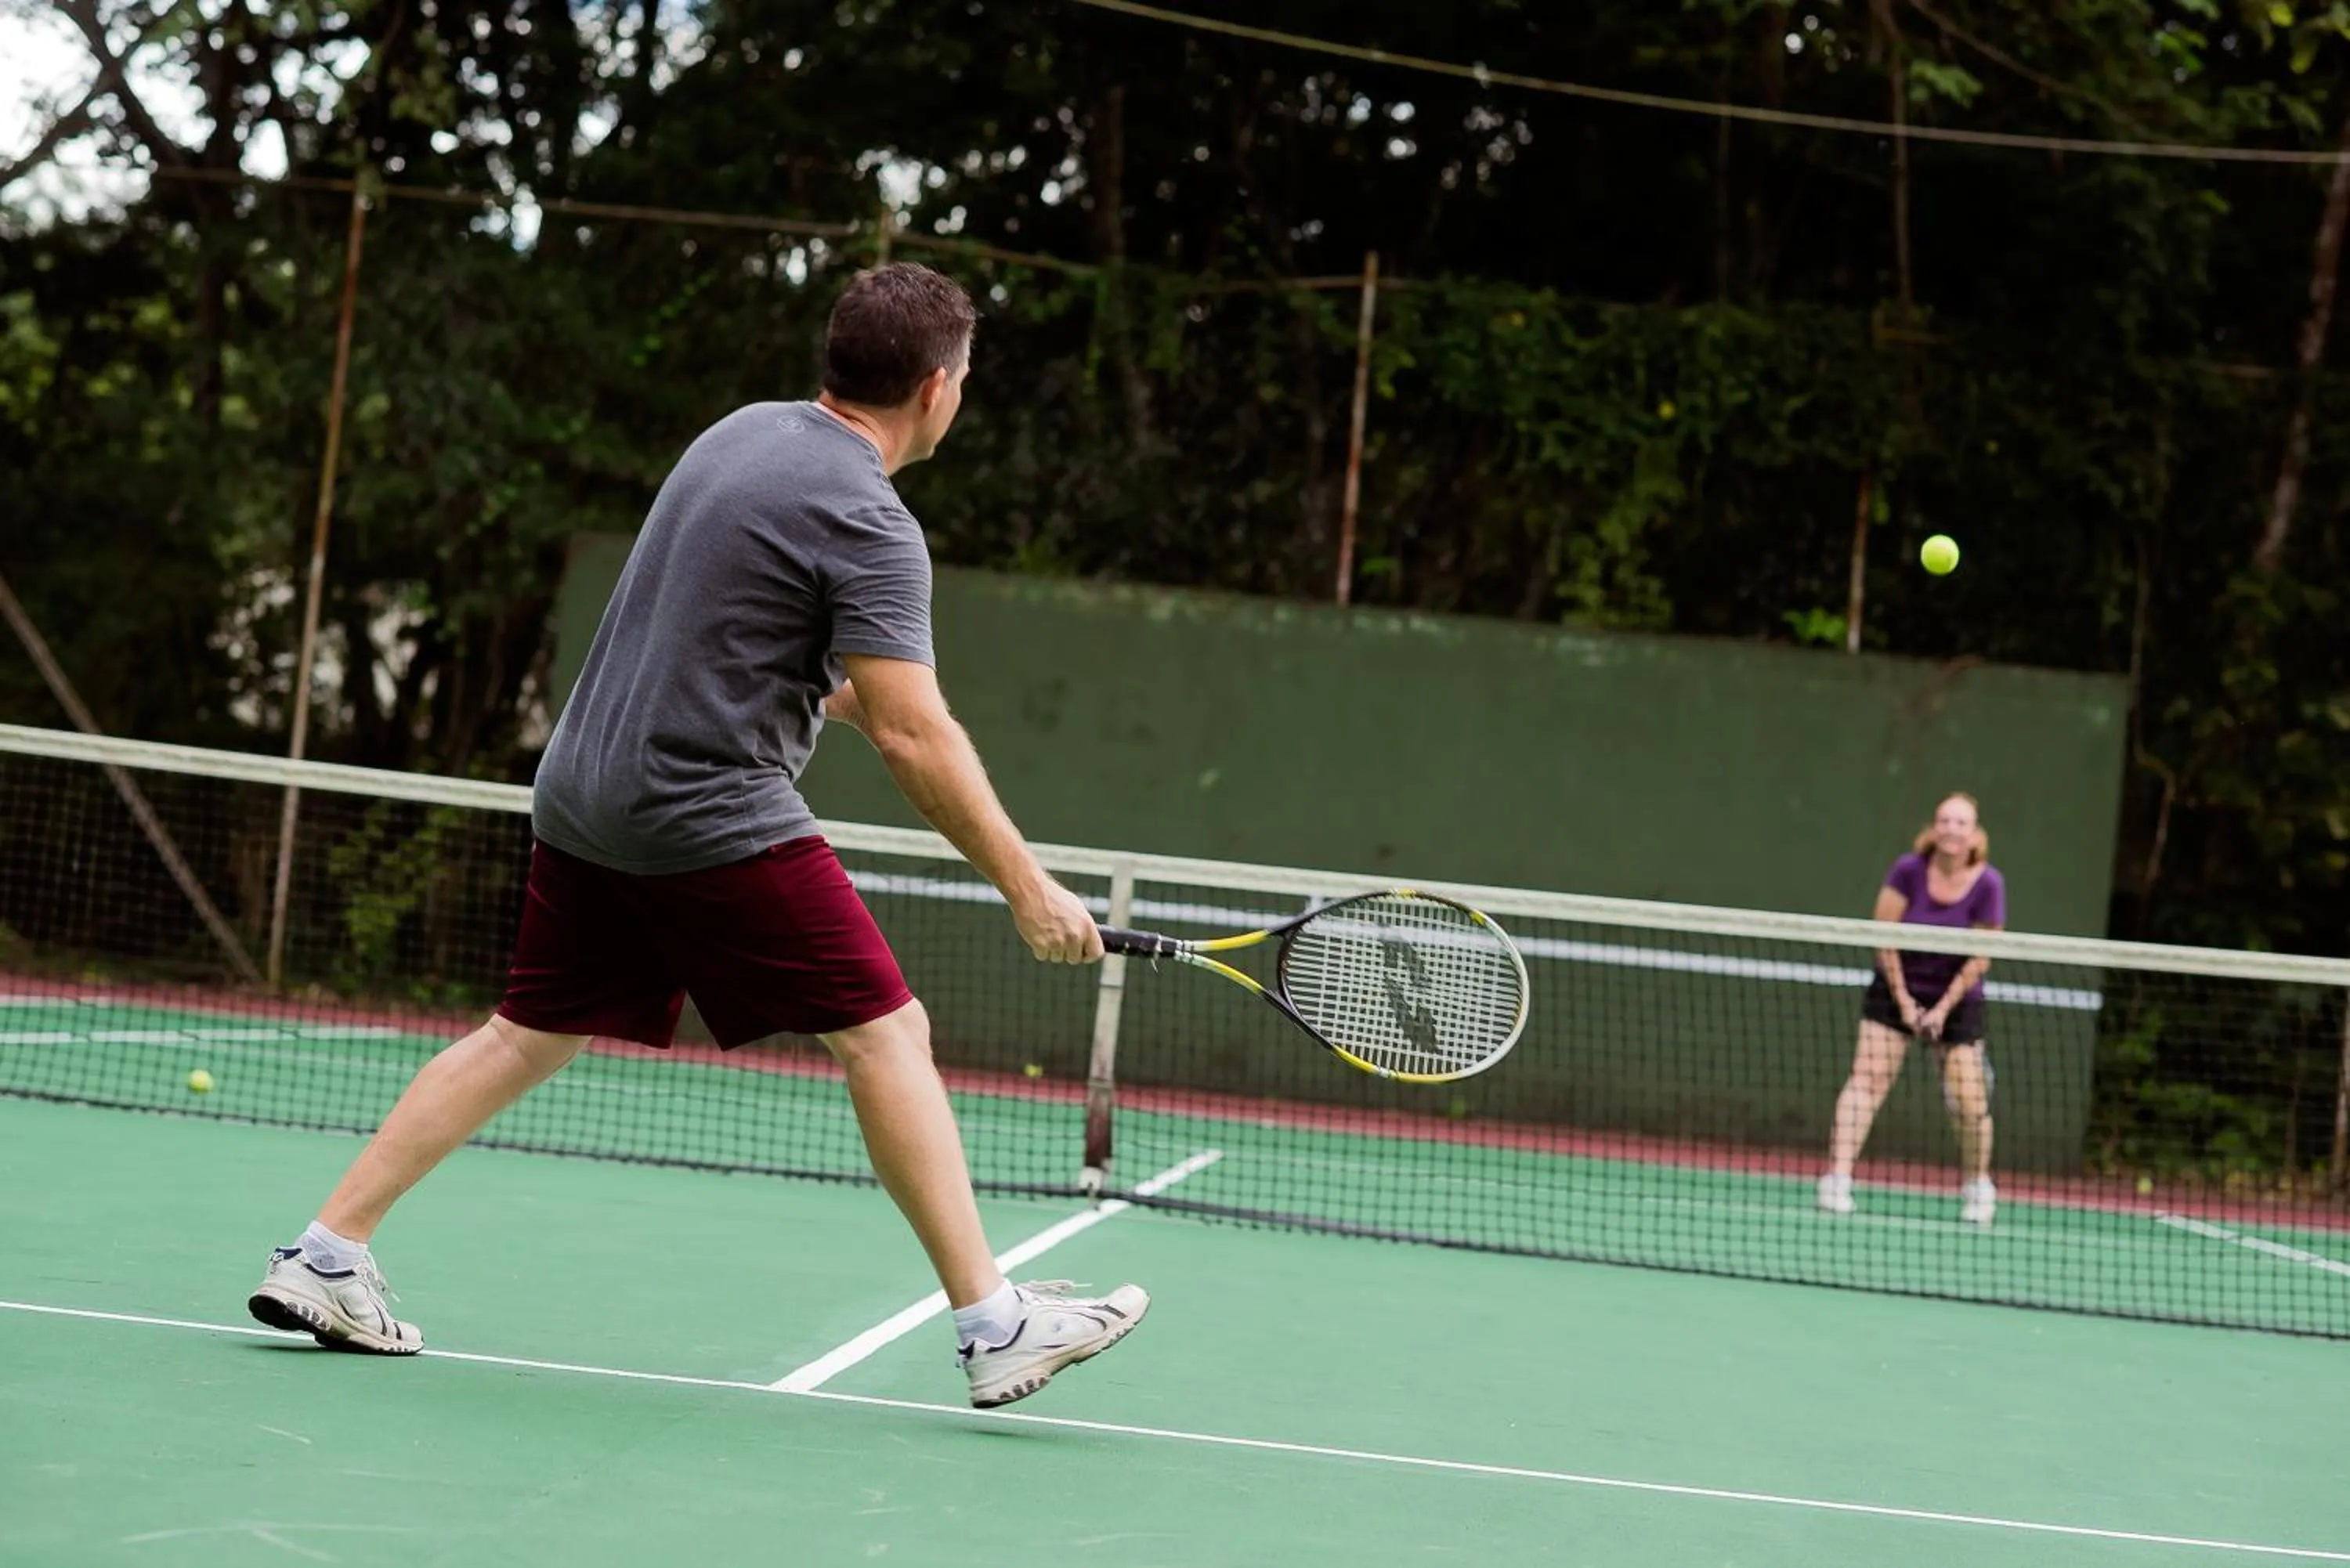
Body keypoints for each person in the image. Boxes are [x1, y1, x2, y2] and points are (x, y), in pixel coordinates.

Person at [248, 262, 1145, 1410]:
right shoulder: (873, 519)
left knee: (529, 1030)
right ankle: (996, 1322)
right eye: (965, 378)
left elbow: (748, 647)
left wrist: (865, 705)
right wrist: (1029, 886)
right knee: (888, 1031)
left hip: (583, 791)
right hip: (700, 806)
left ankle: (326, 1256)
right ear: (935, 388)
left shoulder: (740, 437)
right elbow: (919, 735)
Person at [1817, 792, 2005, 1226]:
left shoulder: (1989, 884)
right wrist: (1905, 1002)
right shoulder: (1908, 871)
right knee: (1867, 1079)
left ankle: (1978, 1185)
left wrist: (1940, 1010)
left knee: (1969, 1100)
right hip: (1897, 985)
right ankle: (1837, 1179)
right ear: (1934, 828)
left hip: (1958, 997)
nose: (1951, 829)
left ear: (1974, 833)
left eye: (1961, 823)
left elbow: (1982, 955)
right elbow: (1885, 936)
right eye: (1945, 820)